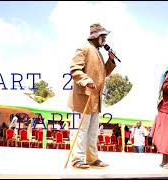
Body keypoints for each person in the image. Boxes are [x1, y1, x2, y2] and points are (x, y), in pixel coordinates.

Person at [67, 23, 116, 169]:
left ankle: (92, 158)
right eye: (104, 36)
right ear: (96, 36)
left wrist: (111, 61)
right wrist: (87, 80)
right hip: (83, 97)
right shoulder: (84, 48)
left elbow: (103, 74)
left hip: (95, 100)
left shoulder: (98, 52)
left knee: (93, 132)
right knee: (80, 130)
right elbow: (74, 69)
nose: (105, 39)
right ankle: (77, 159)